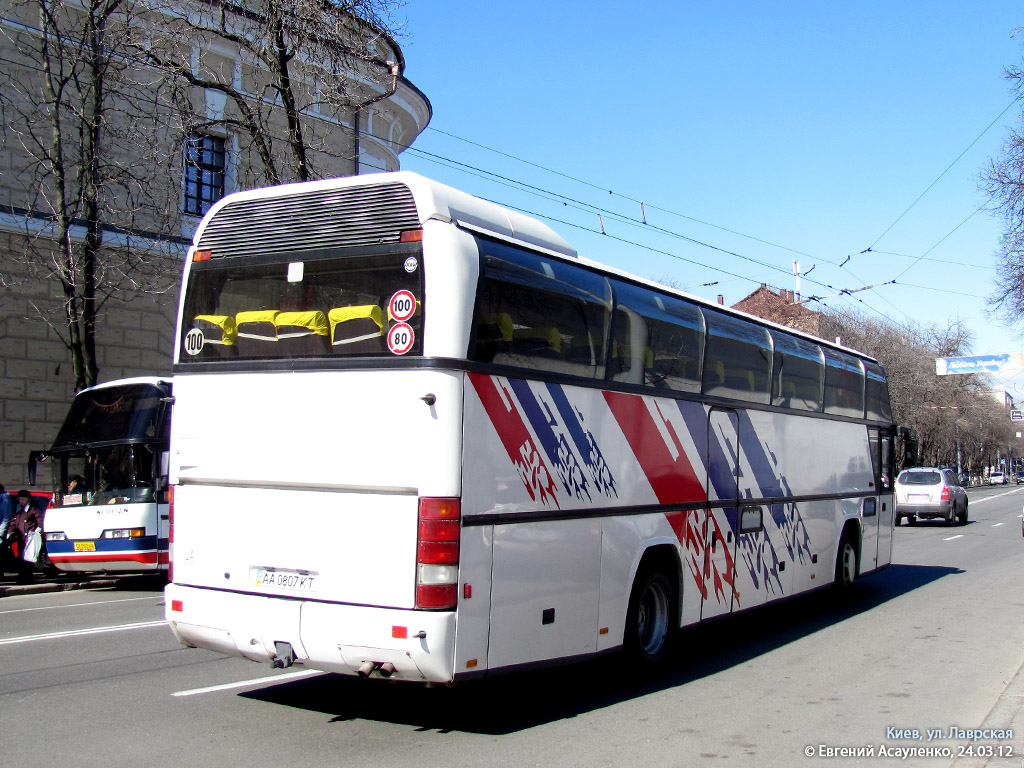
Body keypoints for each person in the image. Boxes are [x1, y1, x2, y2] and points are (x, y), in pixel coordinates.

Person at [6, 490, 44, 583]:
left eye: (22, 499)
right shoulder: (20, 509)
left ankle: (27, 578)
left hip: (29, 537)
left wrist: (37, 529)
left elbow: (40, 519)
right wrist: (10, 532)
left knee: (27, 559)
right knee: (21, 558)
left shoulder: (33, 508)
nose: (20, 501)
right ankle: (22, 576)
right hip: (20, 537)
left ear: (28, 499)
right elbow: (14, 521)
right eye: (19, 499)